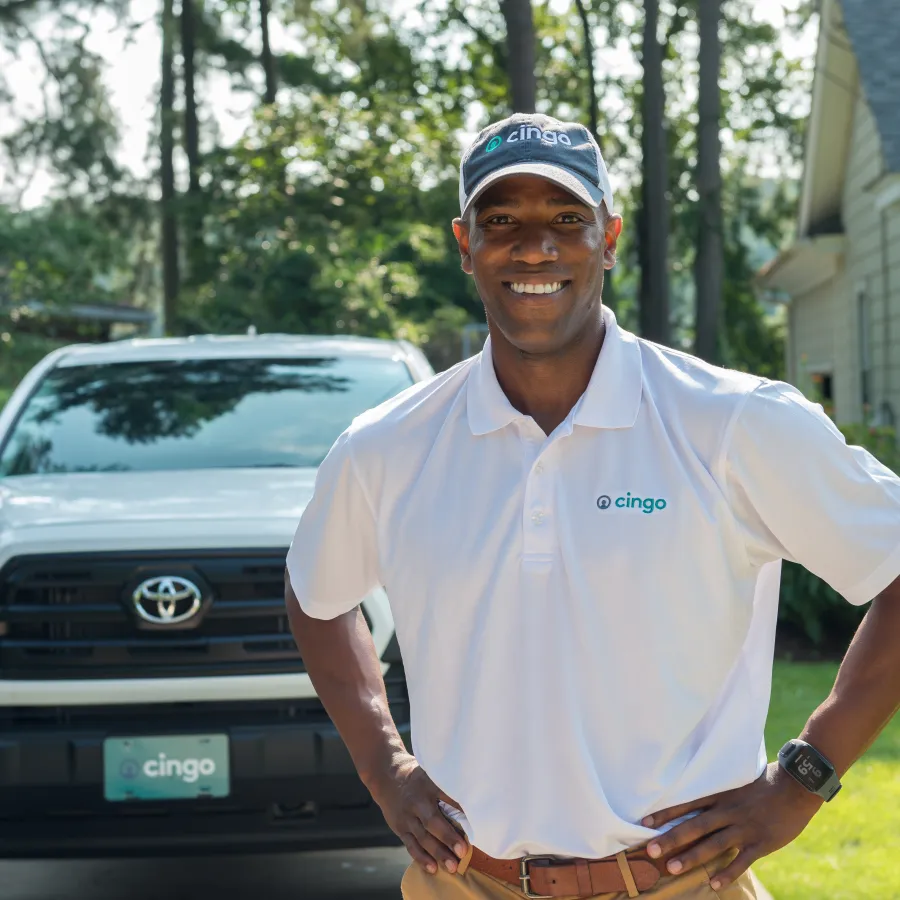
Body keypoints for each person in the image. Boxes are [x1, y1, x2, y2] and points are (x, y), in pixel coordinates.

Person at [284, 113, 900, 900]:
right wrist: (384, 767)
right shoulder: (386, 447)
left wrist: (803, 778)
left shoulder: (732, 423)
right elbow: (315, 594)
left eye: (565, 220)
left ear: (607, 239)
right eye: (501, 220)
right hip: (468, 884)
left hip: (679, 884)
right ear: (464, 244)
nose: (533, 247)